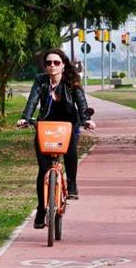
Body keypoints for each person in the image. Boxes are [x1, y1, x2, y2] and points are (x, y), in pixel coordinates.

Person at [17, 48, 96, 229]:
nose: (52, 66)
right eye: (48, 63)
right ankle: (41, 210)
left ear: (63, 65)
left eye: (56, 63)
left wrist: (86, 120)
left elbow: (81, 102)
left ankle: (72, 184)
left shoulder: (71, 81)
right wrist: (25, 117)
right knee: (43, 169)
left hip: (68, 125)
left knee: (70, 152)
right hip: (45, 126)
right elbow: (32, 101)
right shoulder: (41, 81)